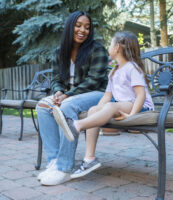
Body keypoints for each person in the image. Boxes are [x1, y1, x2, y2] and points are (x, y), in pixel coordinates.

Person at [53, 31, 154, 178]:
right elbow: (107, 96)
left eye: (111, 44)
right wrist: (97, 110)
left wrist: (132, 115)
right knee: (94, 109)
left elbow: (141, 95)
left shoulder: (132, 68)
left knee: (111, 106)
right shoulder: (114, 71)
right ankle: (89, 159)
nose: (109, 47)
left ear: (117, 47)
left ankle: (76, 126)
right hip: (123, 105)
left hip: (141, 107)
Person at [36, 11, 109, 185]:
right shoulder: (59, 52)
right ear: (70, 27)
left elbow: (94, 81)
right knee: (43, 106)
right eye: (78, 25)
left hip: (98, 94)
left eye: (87, 27)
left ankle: (65, 168)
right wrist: (58, 92)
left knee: (67, 106)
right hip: (70, 96)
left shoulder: (96, 49)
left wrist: (67, 95)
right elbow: (56, 79)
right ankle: (54, 162)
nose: (82, 30)